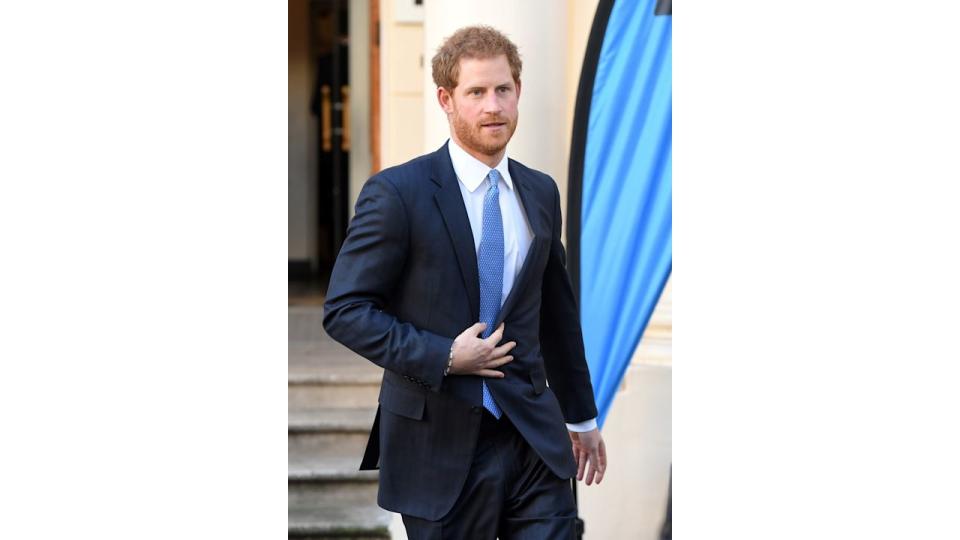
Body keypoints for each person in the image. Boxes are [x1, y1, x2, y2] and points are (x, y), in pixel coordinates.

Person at [323, 25, 606, 539]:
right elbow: (345, 310)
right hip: (438, 444)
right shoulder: (397, 194)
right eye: (475, 92)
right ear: (446, 100)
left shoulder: (540, 193)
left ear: (518, 91)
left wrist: (582, 418)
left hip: (532, 438)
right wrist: (445, 356)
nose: (492, 105)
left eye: (503, 89)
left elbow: (557, 315)